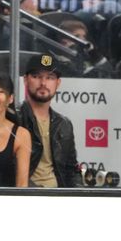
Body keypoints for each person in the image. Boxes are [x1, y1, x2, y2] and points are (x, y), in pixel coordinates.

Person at [18, 53, 81, 187]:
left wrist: (78, 197)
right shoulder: (15, 118)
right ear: (25, 80)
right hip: (26, 196)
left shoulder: (64, 124)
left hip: (60, 198)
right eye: (37, 77)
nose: (43, 83)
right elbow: (9, 169)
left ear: (58, 83)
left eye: (50, 78)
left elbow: (72, 170)